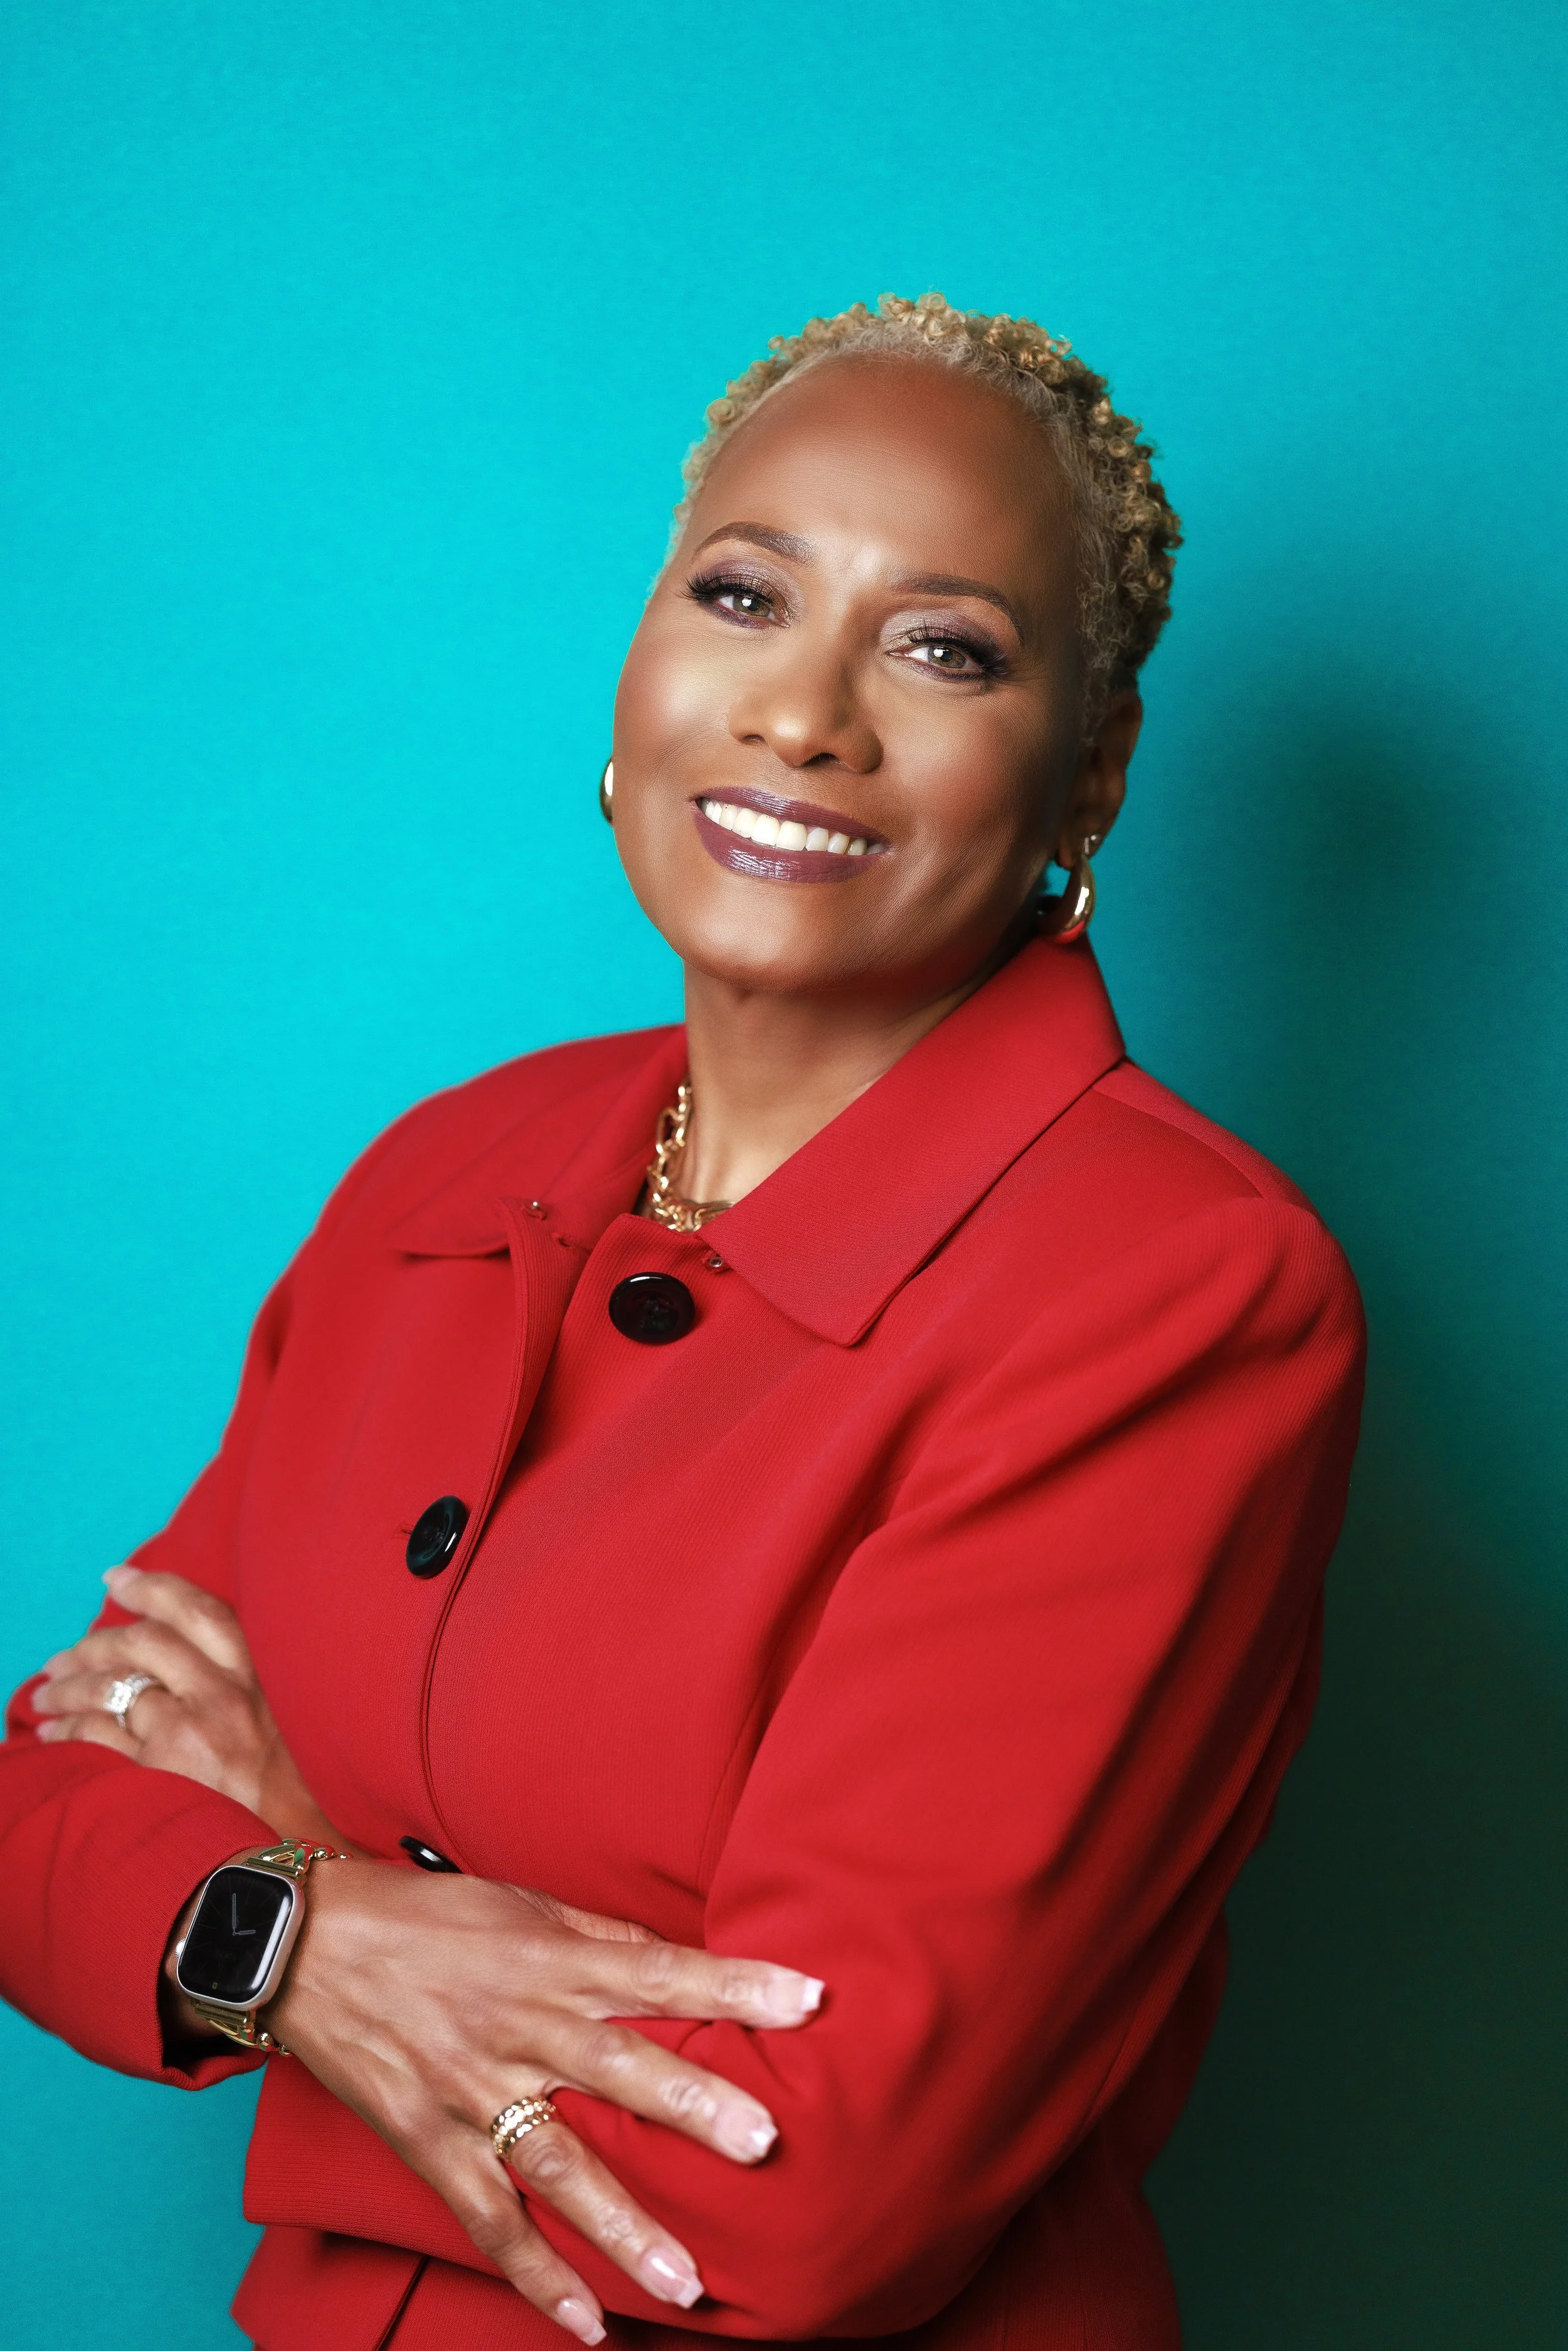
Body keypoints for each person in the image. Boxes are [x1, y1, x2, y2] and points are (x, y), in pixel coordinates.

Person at [2, 292, 1364, 2351]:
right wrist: (320, 1934)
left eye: (943, 646)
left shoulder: (1171, 1291)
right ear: (638, 659)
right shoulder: (444, 1171)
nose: (805, 715)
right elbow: (55, 1773)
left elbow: (802, 2186)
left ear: (1087, 771)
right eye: (745, 593)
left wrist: (270, 1884)